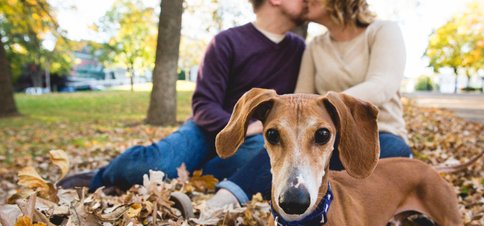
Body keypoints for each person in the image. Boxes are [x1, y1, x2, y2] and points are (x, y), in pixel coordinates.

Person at [58, 0, 307, 194]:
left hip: (260, 141)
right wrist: (244, 127)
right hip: (206, 131)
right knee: (152, 167)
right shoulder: (227, 42)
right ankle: (102, 176)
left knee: (255, 166)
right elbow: (203, 106)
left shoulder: (300, 50)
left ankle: (192, 173)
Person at [206, 0, 412, 210]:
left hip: (378, 134)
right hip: (319, 134)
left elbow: (382, 85)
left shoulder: (383, 31)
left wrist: (331, 107)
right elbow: (300, 97)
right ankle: (228, 197)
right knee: (289, 144)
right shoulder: (315, 46)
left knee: (395, 150)